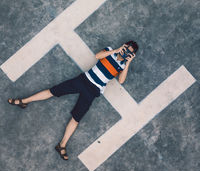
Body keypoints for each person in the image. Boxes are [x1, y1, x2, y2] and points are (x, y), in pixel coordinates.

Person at [8, 41, 139, 160]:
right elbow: (98, 56)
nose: (126, 51)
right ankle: (23, 101)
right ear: (124, 45)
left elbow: (121, 80)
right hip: (83, 80)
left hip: (93, 91)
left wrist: (128, 62)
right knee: (53, 91)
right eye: (127, 48)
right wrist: (116, 50)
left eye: (130, 52)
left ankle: (62, 145)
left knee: (76, 118)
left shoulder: (122, 66)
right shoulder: (110, 50)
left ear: (131, 55)